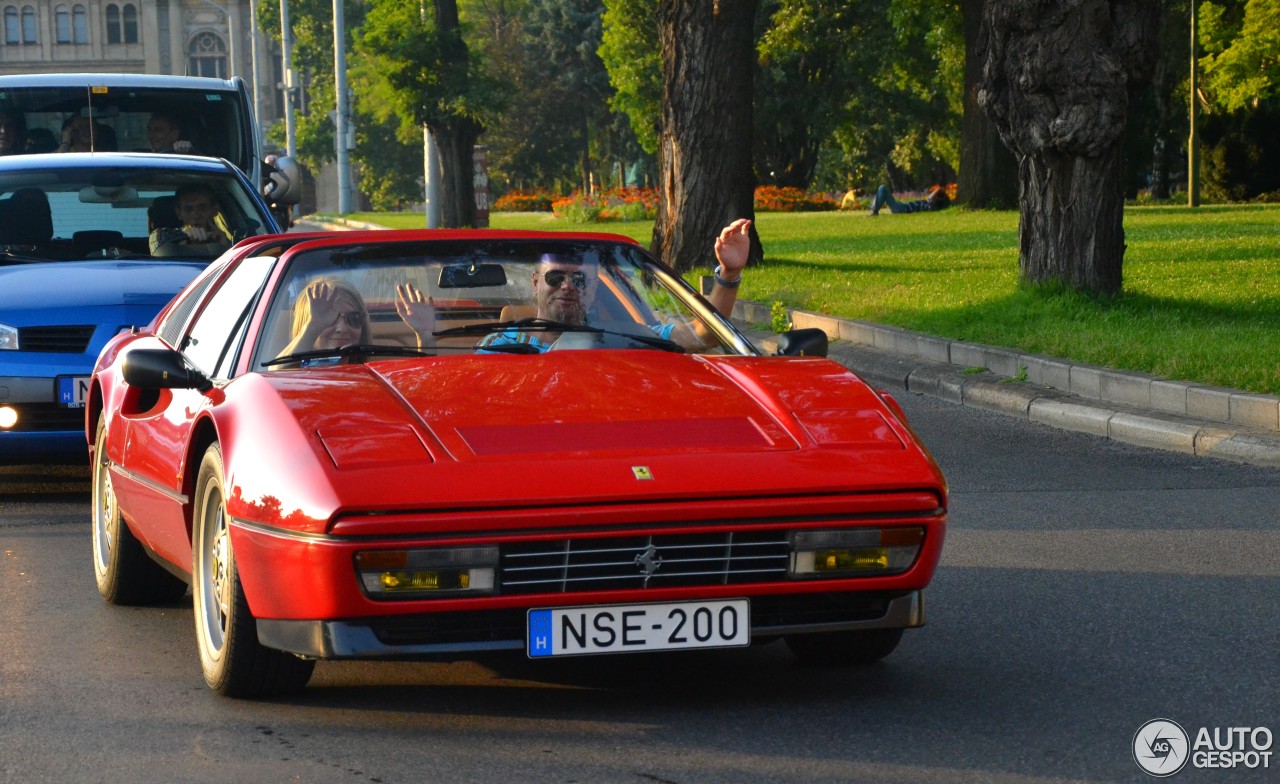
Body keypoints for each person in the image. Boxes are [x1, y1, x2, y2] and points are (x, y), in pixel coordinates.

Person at [477, 218, 752, 353]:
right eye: (555, 277)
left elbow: (702, 335)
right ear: (536, 283)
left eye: (580, 279)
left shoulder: (623, 337)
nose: (567, 286)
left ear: (594, 289)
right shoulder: (499, 345)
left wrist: (728, 274)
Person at [277, 278, 436, 358]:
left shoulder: (376, 372)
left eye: (354, 318)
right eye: (328, 318)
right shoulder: (296, 376)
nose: (341, 328)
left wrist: (425, 336)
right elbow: (277, 373)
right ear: (306, 323)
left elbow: (426, 385)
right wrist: (312, 328)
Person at [148, 183, 234, 257]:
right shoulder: (162, 235)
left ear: (214, 210)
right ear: (179, 213)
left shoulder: (225, 238)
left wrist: (225, 246)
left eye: (202, 208)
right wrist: (188, 242)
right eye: (188, 209)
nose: (195, 214)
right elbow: (162, 257)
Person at [868, 184, 950, 215]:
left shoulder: (929, 205)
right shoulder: (928, 205)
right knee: (882, 191)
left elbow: (937, 191)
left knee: (883, 188)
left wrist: (942, 191)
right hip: (901, 207)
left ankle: (874, 210)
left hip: (901, 209)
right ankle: (874, 208)